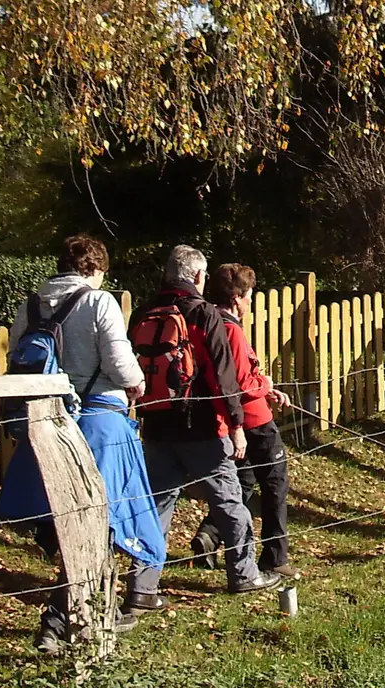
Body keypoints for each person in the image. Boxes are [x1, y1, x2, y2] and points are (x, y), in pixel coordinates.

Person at [0, 235, 165, 653]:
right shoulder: (99, 302)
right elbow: (117, 359)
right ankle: (58, 621)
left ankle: (84, 609)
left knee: (62, 516)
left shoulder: (32, 304)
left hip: (48, 421)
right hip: (98, 420)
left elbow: (17, 357)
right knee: (98, 522)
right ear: (95, 269)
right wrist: (137, 381)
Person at [125, 246, 280, 611]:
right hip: (202, 427)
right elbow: (222, 375)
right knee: (230, 502)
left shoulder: (143, 312)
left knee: (158, 507)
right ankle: (244, 573)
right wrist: (236, 423)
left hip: (158, 424)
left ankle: (142, 586)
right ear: (197, 276)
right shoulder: (203, 314)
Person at [197, 264, 297, 579]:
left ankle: (210, 534)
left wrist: (264, 385)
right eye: (250, 296)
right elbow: (240, 381)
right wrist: (264, 387)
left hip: (228, 418)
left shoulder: (206, 324)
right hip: (253, 417)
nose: (251, 303)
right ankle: (274, 555)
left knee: (242, 480)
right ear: (238, 297)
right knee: (275, 482)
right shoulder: (231, 330)